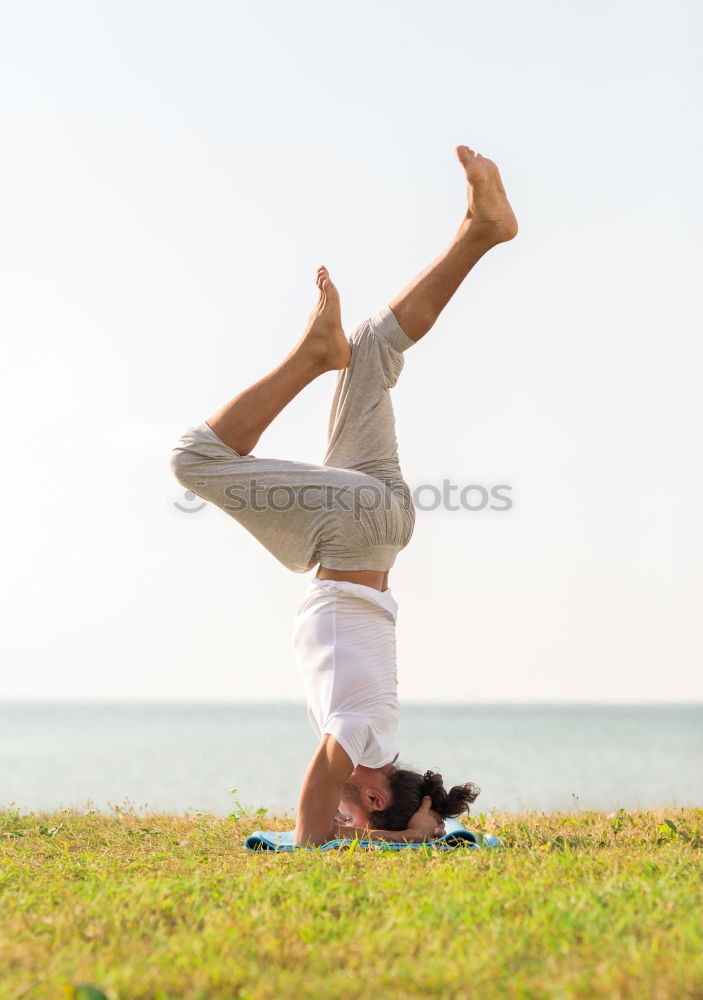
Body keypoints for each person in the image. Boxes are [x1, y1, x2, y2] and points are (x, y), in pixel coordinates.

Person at [170, 144, 518, 846]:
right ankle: (309, 358)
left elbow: (346, 795)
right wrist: (309, 849)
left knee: (372, 351)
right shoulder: (362, 738)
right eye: (355, 818)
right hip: (353, 530)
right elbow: (321, 784)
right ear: (370, 790)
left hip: (383, 526)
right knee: (194, 460)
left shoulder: (378, 732)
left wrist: (422, 829)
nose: (345, 823)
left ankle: (481, 232)